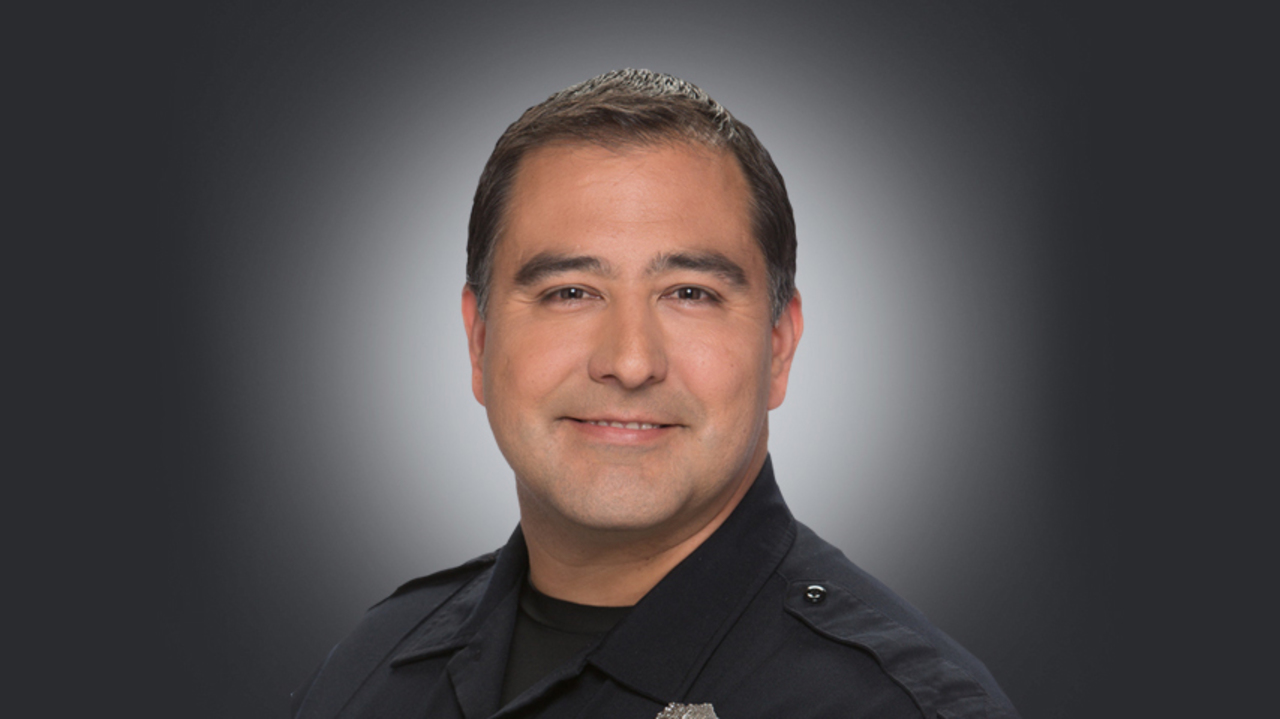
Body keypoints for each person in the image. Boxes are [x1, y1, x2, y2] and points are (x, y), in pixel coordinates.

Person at [290, 68, 1020, 719]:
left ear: (778, 346)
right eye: (570, 291)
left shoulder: (897, 707)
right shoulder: (368, 670)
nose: (631, 361)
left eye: (690, 293)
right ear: (479, 342)